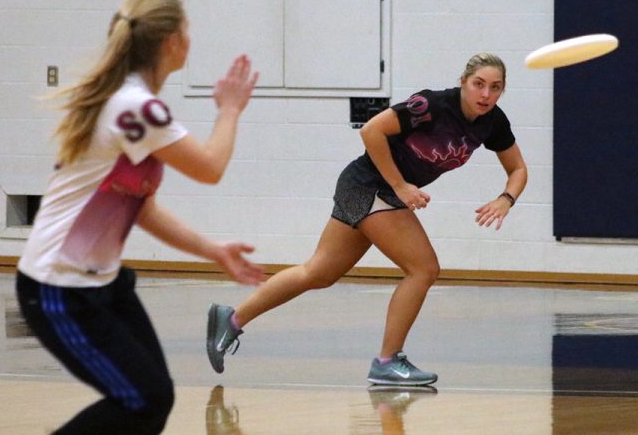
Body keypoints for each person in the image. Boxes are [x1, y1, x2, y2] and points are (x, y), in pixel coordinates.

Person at [16, 0, 264, 434]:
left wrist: (211, 249)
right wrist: (229, 111)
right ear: (172, 42)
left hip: (102, 282)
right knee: (140, 400)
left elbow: (141, 208)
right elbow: (210, 167)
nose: (191, 38)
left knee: (153, 399)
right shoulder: (136, 107)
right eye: (187, 29)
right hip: (58, 287)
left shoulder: (129, 100)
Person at [206, 53, 528, 386]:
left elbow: (518, 169)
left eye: (495, 87)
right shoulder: (432, 105)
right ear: (463, 82)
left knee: (318, 272)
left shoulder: (493, 122)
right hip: (369, 186)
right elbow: (372, 131)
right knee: (424, 269)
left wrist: (506, 199)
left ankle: (230, 320)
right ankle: (387, 361)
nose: (486, 94)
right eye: (479, 84)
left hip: (373, 191)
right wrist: (401, 185)